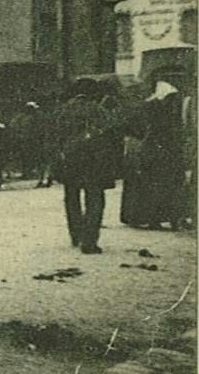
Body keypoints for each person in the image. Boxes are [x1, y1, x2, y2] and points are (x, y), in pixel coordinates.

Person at [53, 77, 122, 254]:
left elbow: (55, 136)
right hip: (93, 161)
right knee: (94, 199)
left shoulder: (63, 110)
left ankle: (76, 235)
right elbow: (110, 135)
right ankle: (89, 241)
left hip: (70, 160)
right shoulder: (98, 110)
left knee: (71, 197)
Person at [120, 81, 185, 230]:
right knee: (159, 186)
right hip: (158, 151)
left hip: (150, 150)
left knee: (151, 185)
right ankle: (159, 218)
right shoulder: (159, 109)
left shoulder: (148, 106)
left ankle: (146, 217)